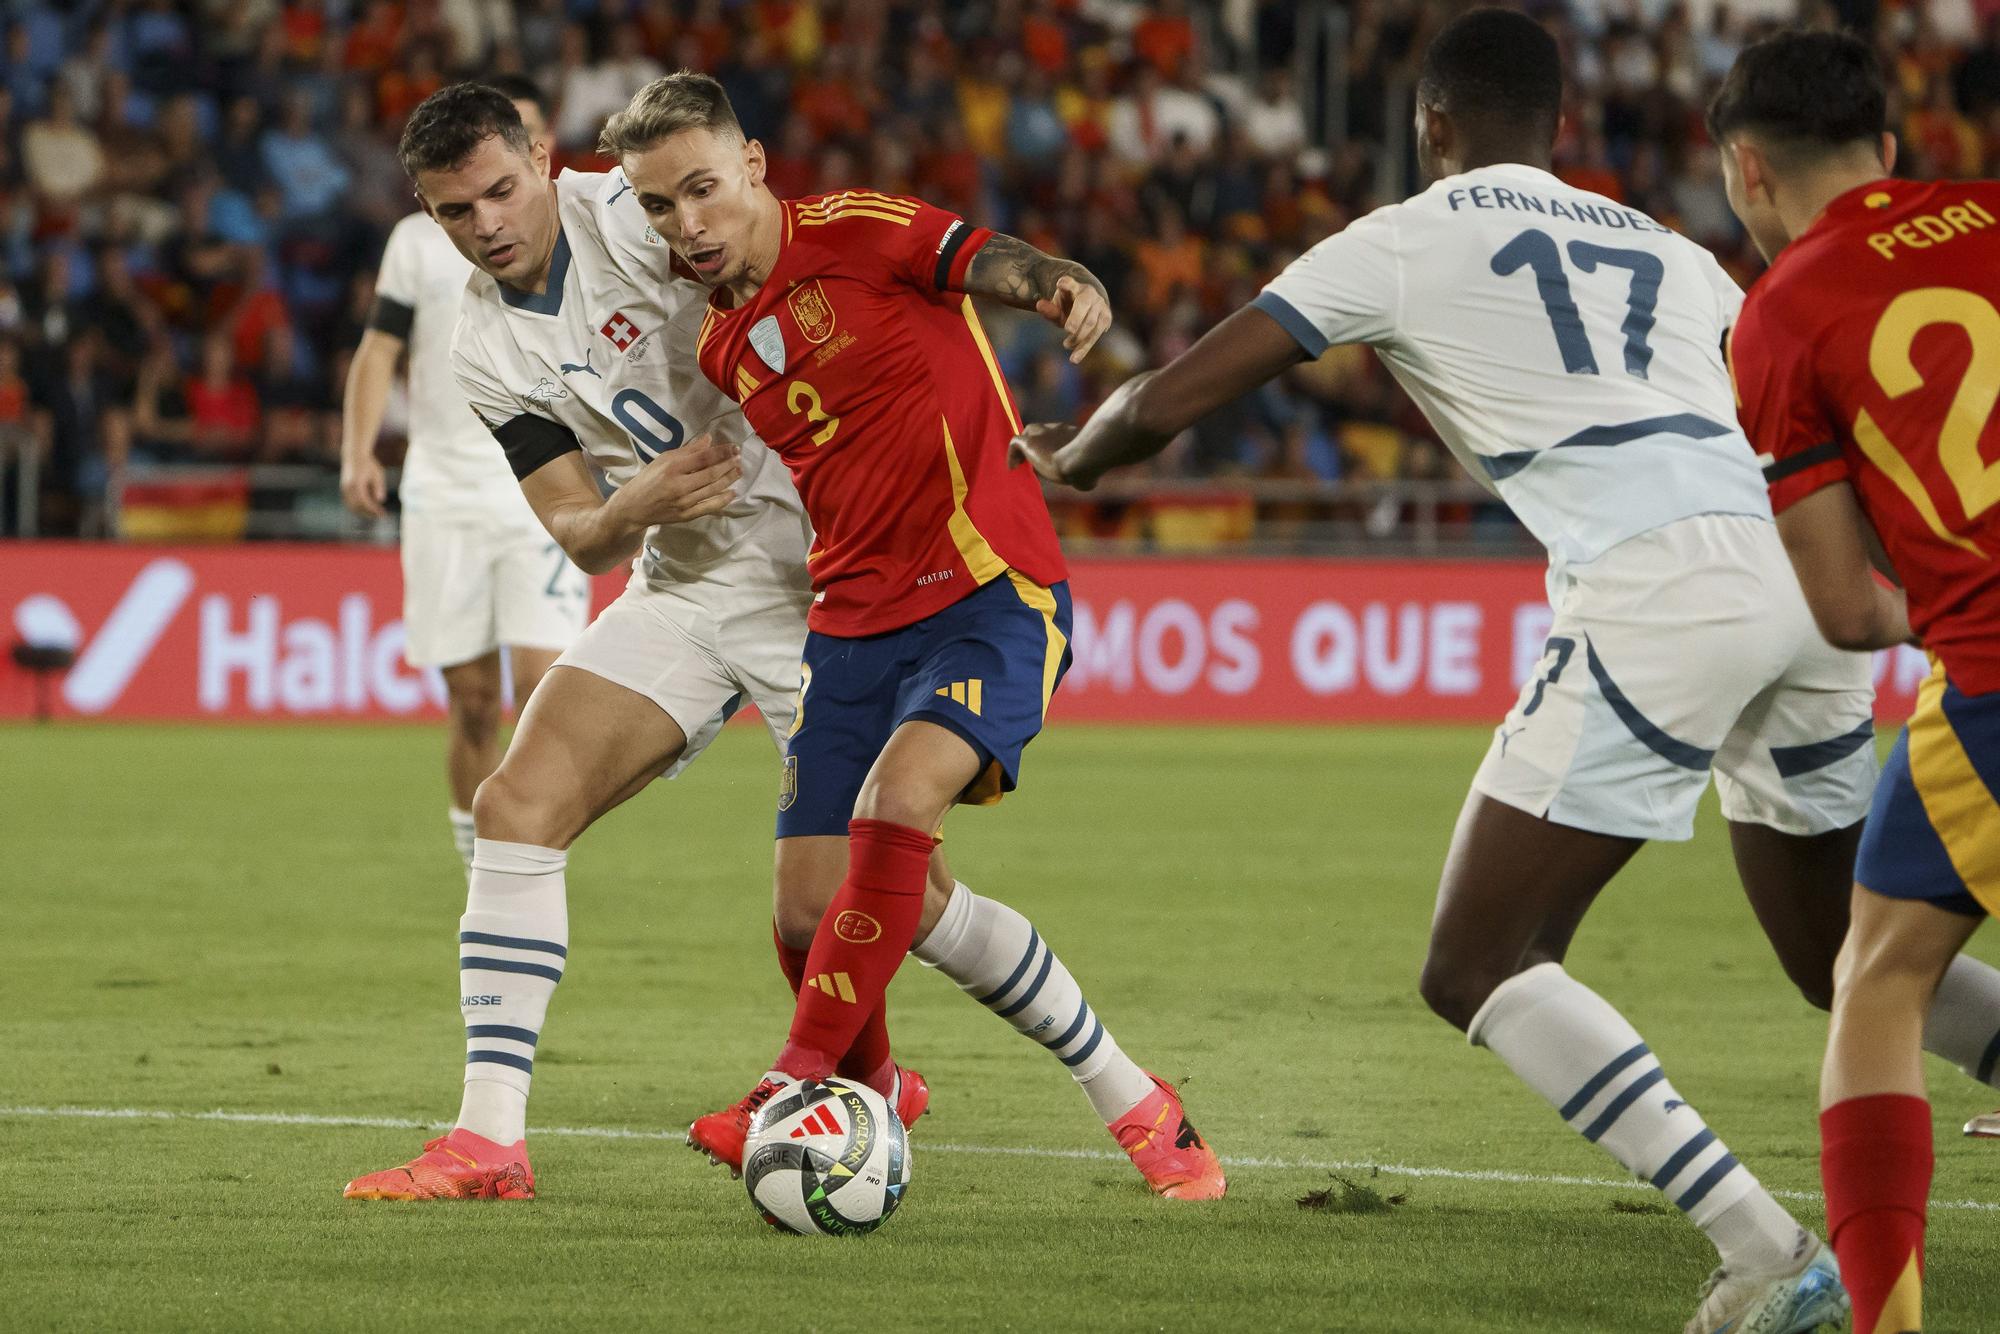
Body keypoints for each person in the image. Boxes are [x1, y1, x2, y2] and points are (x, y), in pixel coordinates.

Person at [1011, 8, 2000, 1327]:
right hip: (1801, 575)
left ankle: (1767, 1251)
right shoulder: (1675, 248)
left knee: (1480, 956)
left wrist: (1078, 455)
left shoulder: (1411, 235)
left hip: (1660, 585)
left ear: (1430, 126)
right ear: (1568, 130)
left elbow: (1185, 391)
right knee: (1844, 952)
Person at [608, 71, 1227, 1200]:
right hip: (849, 625)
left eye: (701, 188)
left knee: (899, 806)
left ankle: (790, 1080)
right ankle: (1096, 1094)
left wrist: (1057, 284)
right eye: (657, 206)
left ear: (751, 168)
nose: (685, 222)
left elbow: (984, 260)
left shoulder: (850, 227)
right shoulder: (719, 345)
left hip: (987, 588)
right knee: (804, 908)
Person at [1714, 30, 2000, 1334]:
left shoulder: (1779, 317)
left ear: (1746, 171)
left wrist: (1938, 603)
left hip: (1990, 675)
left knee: (1876, 974)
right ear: (1888, 151)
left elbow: (1842, 610)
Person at [340, 76, 590, 872]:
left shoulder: (581, 228)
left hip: (545, 489)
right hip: (444, 490)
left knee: (543, 689)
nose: (486, 213)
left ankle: (525, 856)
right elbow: (379, 349)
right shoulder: (418, 244)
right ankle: (476, 862)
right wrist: (357, 451)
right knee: (475, 702)